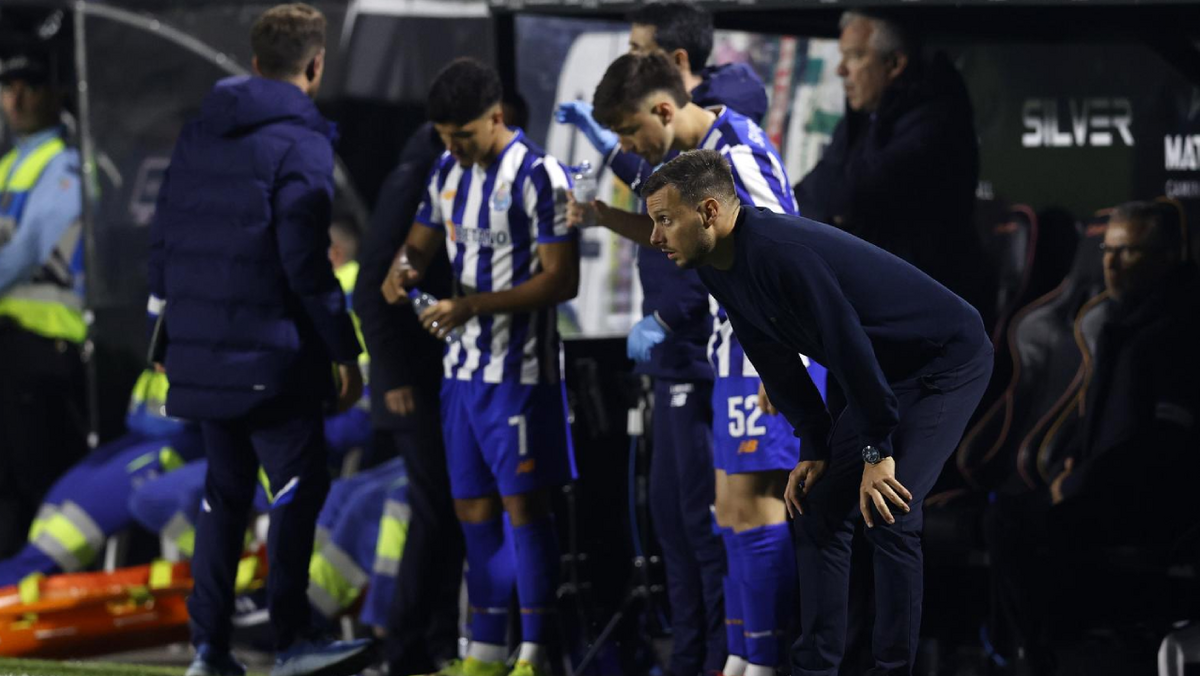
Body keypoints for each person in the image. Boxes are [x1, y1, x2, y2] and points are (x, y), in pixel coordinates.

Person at [640, 149, 993, 676]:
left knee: (890, 510)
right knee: (818, 508)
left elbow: (847, 349)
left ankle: (892, 670)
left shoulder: (781, 253)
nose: (654, 237)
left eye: (665, 220)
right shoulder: (718, 266)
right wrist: (814, 443)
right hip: (881, 372)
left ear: (709, 212)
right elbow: (773, 358)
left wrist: (875, 451)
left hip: (942, 362)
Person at [147, 5, 372, 676]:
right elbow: (305, 263)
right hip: (273, 356)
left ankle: (209, 649)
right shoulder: (303, 143)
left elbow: (163, 238)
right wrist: (345, 350)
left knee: (224, 494)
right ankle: (292, 640)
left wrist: (166, 335)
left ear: (253, 63)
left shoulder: (200, 133)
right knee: (299, 485)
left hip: (202, 353)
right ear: (316, 65)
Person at [576, 52, 811, 676]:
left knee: (757, 510)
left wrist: (781, 362)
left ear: (662, 109)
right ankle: (740, 657)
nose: (629, 147)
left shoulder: (737, 151)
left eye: (630, 132)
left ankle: (765, 662)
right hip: (731, 348)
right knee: (728, 514)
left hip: (766, 352)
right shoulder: (690, 163)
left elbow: (792, 255)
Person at [381, 57, 579, 676]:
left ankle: (536, 651)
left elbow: (562, 280)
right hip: (461, 374)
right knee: (471, 507)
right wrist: (402, 271)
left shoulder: (541, 176)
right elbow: (418, 245)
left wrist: (471, 305)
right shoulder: (446, 170)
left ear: (497, 117)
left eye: (462, 134)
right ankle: (486, 651)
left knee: (525, 507)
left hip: (520, 374)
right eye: (444, 136)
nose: (453, 147)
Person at [984, 201, 1200, 675]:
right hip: (1101, 485)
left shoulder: (1177, 328)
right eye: (1108, 250)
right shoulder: (1121, 321)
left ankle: (1042, 655)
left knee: (1014, 525)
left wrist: (1081, 481)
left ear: (1168, 256)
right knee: (1007, 514)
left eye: (1129, 252)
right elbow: (1102, 418)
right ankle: (1032, 652)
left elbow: (1166, 442)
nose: (1112, 263)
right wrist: (1073, 462)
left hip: (1150, 504)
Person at [354, 120, 464, 676]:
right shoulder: (415, 178)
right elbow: (371, 287)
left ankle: (433, 640)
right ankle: (405, 643)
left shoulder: (439, 173)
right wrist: (393, 375)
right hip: (411, 383)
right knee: (435, 508)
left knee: (447, 508)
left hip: (434, 373)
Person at [793, 10, 988, 318]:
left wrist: (837, 210)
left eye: (855, 56)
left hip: (923, 308)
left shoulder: (936, 120)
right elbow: (806, 197)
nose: (841, 70)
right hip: (878, 297)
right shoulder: (869, 115)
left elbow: (849, 197)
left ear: (894, 64)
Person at [0, 47, 89, 559]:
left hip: (47, 343)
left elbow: (25, 251)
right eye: (7, 87)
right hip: (14, 343)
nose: (16, 99)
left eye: (29, 87)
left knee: (39, 476)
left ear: (55, 94)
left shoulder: (64, 164)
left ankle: (50, 575)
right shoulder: (11, 164)